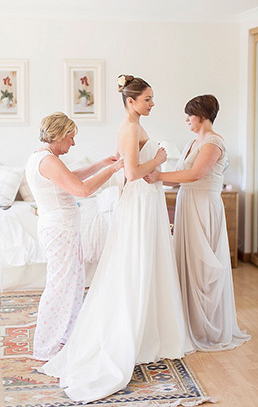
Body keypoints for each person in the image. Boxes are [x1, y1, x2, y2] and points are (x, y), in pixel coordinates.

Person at [41, 76, 192, 403]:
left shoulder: (134, 127)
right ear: (131, 101)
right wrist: (161, 159)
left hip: (146, 201)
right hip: (138, 202)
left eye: (152, 98)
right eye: (148, 99)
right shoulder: (129, 128)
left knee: (148, 263)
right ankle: (129, 334)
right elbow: (132, 172)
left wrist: (155, 164)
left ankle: (152, 329)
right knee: (134, 265)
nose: (152, 104)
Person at [147, 95, 250, 351]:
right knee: (187, 262)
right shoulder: (192, 143)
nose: (186, 120)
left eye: (189, 116)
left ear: (202, 116)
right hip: (187, 203)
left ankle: (208, 327)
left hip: (203, 206)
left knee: (203, 267)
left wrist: (159, 174)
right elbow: (180, 177)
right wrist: (153, 175)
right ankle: (189, 323)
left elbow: (195, 174)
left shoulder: (214, 143)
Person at [26, 112, 124, 361]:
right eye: (71, 137)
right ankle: (46, 345)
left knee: (71, 285)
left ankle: (63, 338)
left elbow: (73, 177)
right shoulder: (48, 161)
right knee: (60, 287)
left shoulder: (44, 157)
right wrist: (113, 169)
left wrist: (102, 164)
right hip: (60, 231)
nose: (73, 143)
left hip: (61, 230)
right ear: (58, 135)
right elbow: (82, 189)